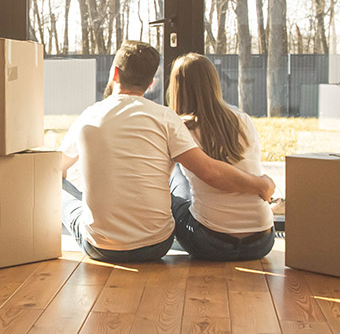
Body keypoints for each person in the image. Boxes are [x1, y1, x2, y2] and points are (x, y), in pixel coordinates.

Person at [59, 41, 276, 263]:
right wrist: (261, 184)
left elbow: (58, 168)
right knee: (177, 166)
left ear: (115, 73)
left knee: (57, 185)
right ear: (151, 83)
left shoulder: (90, 115)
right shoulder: (170, 118)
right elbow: (211, 170)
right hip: (159, 245)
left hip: (104, 247)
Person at [166, 53, 276, 261]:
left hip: (212, 243)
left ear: (177, 87)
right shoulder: (242, 120)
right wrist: (262, 184)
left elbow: (211, 174)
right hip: (262, 241)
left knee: (174, 183)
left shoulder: (178, 129)